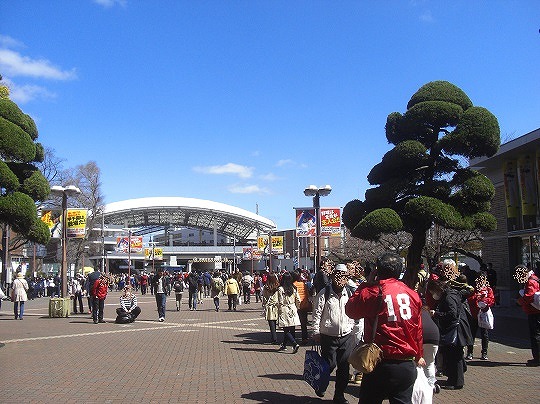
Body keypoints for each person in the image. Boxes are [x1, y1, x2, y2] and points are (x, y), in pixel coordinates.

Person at [345, 253, 425, 404]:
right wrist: (419, 354)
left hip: (379, 361)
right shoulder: (412, 294)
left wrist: (365, 284)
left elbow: (351, 310)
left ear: (377, 270)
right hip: (406, 363)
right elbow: (418, 329)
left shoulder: (373, 291)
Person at [313, 263, 355, 403]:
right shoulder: (324, 293)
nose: (340, 279)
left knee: (344, 367)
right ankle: (321, 385)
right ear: (332, 276)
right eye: (338, 275)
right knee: (329, 364)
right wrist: (316, 332)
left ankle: (339, 395)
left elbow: (356, 313)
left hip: (346, 336)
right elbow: (317, 314)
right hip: (328, 336)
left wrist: (355, 328)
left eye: (343, 277)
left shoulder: (349, 293)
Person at [428, 263, 472, 390]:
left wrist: (436, 313)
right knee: (453, 355)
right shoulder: (449, 294)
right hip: (456, 328)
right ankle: (453, 378)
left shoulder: (449, 296)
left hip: (457, 330)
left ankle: (456, 381)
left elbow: (452, 314)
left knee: (455, 356)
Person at [515, 264, 540, 367]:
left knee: (536, 335)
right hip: (534, 311)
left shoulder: (531, 282)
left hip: (535, 312)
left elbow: (529, 296)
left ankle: (537, 358)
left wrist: (519, 301)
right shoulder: (534, 279)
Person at [466, 271, 495, 360]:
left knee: (484, 334)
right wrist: (476, 297)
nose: (480, 282)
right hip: (474, 315)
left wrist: (485, 301)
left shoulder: (488, 289)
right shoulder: (472, 289)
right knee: (471, 334)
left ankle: (484, 352)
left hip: (483, 315)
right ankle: (470, 352)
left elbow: (492, 300)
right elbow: (469, 300)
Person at [276, 271, 301, 353]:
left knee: (286, 329)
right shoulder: (293, 288)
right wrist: (297, 307)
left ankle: (294, 344)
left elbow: (280, 301)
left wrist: (279, 311)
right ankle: (284, 345)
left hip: (284, 308)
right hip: (292, 307)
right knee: (291, 327)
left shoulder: (281, 289)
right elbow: (298, 299)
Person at [293, 270, 311, 345]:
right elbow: (307, 294)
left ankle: (293, 339)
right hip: (304, 304)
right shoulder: (303, 284)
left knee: (293, 323)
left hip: (296, 306)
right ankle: (305, 338)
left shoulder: (293, 284)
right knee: (303, 323)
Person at [263, 273, 280, 344]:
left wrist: (264, 304)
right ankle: (275, 337)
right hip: (276, 306)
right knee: (276, 322)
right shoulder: (278, 286)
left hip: (269, 306)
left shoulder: (266, 287)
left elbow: (264, 297)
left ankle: (274, 338)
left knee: (271, 323)